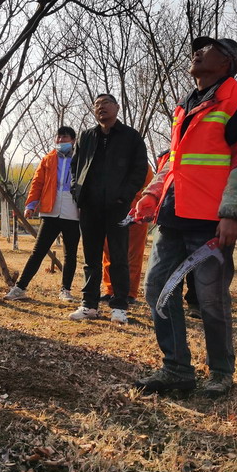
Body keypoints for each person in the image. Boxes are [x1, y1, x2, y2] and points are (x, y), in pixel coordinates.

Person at [133, 36, 237, 398]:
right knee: (157, 289)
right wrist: (151, 195)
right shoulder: (186, 104)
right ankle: (176, 368)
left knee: (211, 300)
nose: (197, 52)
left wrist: (233, 213)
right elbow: (173, 161)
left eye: (208, 49)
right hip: (173, 213)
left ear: (227, 63)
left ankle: (221, 372)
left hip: (211, 219)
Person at [68, 93, 148, 324]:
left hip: (118, 207)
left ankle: (119, 306)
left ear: (117, 107)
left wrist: (124, 197)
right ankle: (89, 304)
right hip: (90, 206)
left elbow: (139, 170)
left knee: (119, 256)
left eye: (105, 103)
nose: (100, 107)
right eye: (96, 105)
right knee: (91, 258)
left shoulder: (131, 137)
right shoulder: (86, 136)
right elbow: (75, 167)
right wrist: (77, 191)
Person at [6, 126, 80, 302]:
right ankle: (20, 288)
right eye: (58, 137)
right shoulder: (48, 159)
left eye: (65, 137)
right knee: (38, 251)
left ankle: (66, 290)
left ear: (73, 141)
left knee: (70, 254)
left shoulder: (80, 159)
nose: (61, 140)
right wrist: (31, 205)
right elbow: (37, 183)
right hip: (50, 211)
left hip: (73, 212)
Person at [101, 165, 154, 304]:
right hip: (111, 212)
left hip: (135, 214)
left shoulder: (144, 166)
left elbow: (148, 190)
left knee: (133, 254)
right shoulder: (110, 161)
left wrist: (135, 207)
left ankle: (130, 292)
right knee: (108, 252)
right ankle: (110, 290)